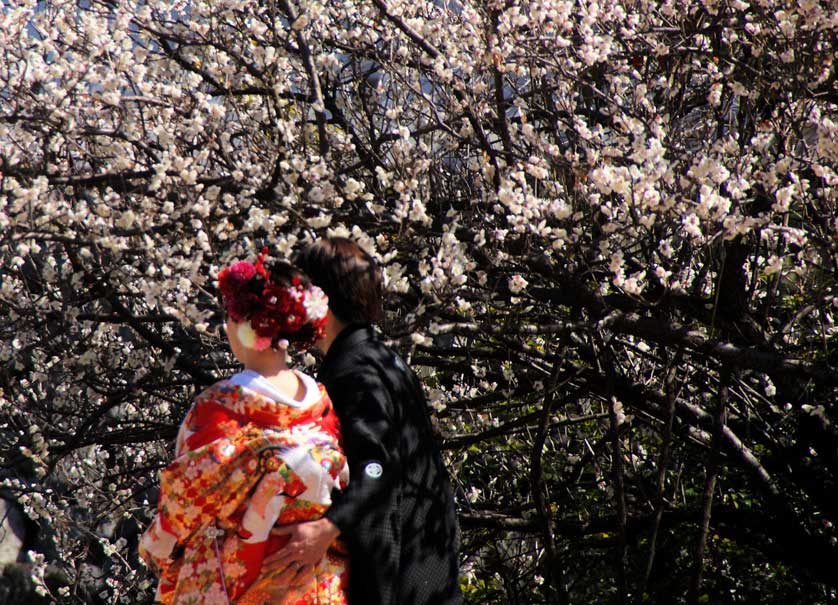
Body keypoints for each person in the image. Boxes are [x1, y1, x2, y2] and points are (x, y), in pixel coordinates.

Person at [139, 251, 349, 605]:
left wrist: (157, 543)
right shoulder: (323, 402)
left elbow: (186, 495)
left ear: (245, 327)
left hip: (237, 576)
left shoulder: (220, 404)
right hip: (315, 576)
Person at [266, 237, 462, 605]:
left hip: (400, 574)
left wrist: (327, 528)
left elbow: (376, 466)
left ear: (319, 299)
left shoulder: (354, 371)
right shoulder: (378, 358)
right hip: (425, 563)